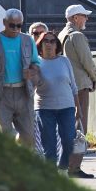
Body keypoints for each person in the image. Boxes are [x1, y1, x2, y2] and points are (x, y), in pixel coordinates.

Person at [0, 8, 43, 150]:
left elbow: (36, 64)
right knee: (5, 135)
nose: (15, 29)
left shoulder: (27, 41)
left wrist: (31, 71)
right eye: (11, 25)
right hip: (1, 92)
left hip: (24, 92)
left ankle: (23, 163)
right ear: (4, 23)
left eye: (19, 25)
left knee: (28, 136)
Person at [59, 4, 96, 179]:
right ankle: (74, 167)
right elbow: (87, 62)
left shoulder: (61, 35)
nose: (86, 19)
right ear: (75, 18)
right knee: (80, 126)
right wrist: (95, 78)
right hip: (80, 86)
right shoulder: (77, 36)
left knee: (68, 126)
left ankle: (65, 164)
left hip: (64, 86)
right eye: (84, 16)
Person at [32, 29, 80, 171]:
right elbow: (32, 87)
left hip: (67, 107)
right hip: (44, 108)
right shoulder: (36, 64)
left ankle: (63, 169)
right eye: (46, 41)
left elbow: (73, 86)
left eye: (52, 41)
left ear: (57, 45)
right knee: (50, 145)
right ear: (40, 45)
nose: (49, 44)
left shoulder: (64, 61)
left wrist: (78, 108)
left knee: (68, 141)